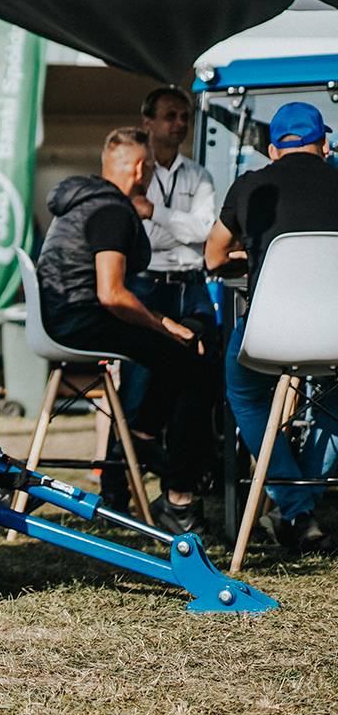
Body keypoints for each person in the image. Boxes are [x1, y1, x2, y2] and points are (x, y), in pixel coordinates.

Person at [36, 127, 221, 534]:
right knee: (200, 368)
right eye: (152, 167)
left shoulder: (83, 201)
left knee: (175, 356)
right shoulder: (112, 211)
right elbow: (113, 295)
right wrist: (163, 322)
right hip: (82, 321)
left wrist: (164, 330)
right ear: (141, 169)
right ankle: (178, 492)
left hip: (66, 317)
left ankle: (142, 437)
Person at [204, 102, 338, 552]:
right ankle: (298, 504)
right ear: (323, 144)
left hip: (270, 332)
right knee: (335, 397)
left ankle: (297, 508)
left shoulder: (250, 185)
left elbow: (213, 257)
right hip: (335, 334)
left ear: (274, 148)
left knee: (243, 388)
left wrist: (255, 254)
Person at [104, 86, 221, 505]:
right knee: (137, 386)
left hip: (191, 286)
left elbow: (207, 232)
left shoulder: (199, 174)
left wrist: (156, 213)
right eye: (171, 115)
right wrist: (180, 224)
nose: (181, 124)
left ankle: (182, 482)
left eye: (185, 116)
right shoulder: (134, 170)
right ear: (147, 122)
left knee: (201, 374)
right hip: (147, 284)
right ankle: (116, 490)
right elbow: (138, 237)